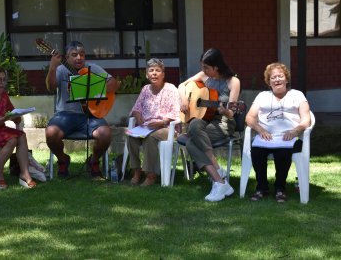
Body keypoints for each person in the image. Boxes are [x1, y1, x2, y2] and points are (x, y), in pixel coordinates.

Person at [45, 41, 119, 178]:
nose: (79, 57)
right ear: (66, 58)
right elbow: (50, 87)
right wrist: (52, 67)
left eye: (82, 54)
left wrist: (91, 90)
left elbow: (114, 84)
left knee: (105, 134)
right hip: (65, 115)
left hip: (91, 116)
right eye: (74, 55)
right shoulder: (61, 69)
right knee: (51, 133)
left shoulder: (93, 68)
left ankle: (94, 161)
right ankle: (63, 159)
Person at [178, 48, 240, 201]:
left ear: (216, 67)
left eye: (206, 67)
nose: (203, 70)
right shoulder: (203, 76)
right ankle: (219, 179)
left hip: (223, 123)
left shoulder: (233, 82)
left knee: (192, 142)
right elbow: (181, 86)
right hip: (205, 121)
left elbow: (232, 112)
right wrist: (185, 100)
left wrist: (224, 110)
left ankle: (219, 180)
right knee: (193, 127)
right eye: (202, 67)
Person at [245, 62, 311, 203]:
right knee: (256, 151)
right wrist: (260, 130)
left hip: (289, 138)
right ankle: (261, 188)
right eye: (273, 77)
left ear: (286, 79)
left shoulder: (297, 95)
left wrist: (295, 131)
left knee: (283, 152)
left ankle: (280, 188)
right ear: (269, 82)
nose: (277, 80)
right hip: (266, 137)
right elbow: (249, 118)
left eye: (280, 76)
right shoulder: (262, 96)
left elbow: (306, 119)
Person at [127, 58, 181, 186]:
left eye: (158, 70)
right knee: (131, 137)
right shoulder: (145, 89)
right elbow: (136, 108)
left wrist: (162, 122)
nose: (154, 73)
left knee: (150, 138)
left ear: (163, 74)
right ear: (147, 74)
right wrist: (138, 115)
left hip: (167, 127)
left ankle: (150, 175)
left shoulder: (171, 88)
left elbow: (176, 112)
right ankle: (136, 170)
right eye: (151, 70)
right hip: (147, 126)